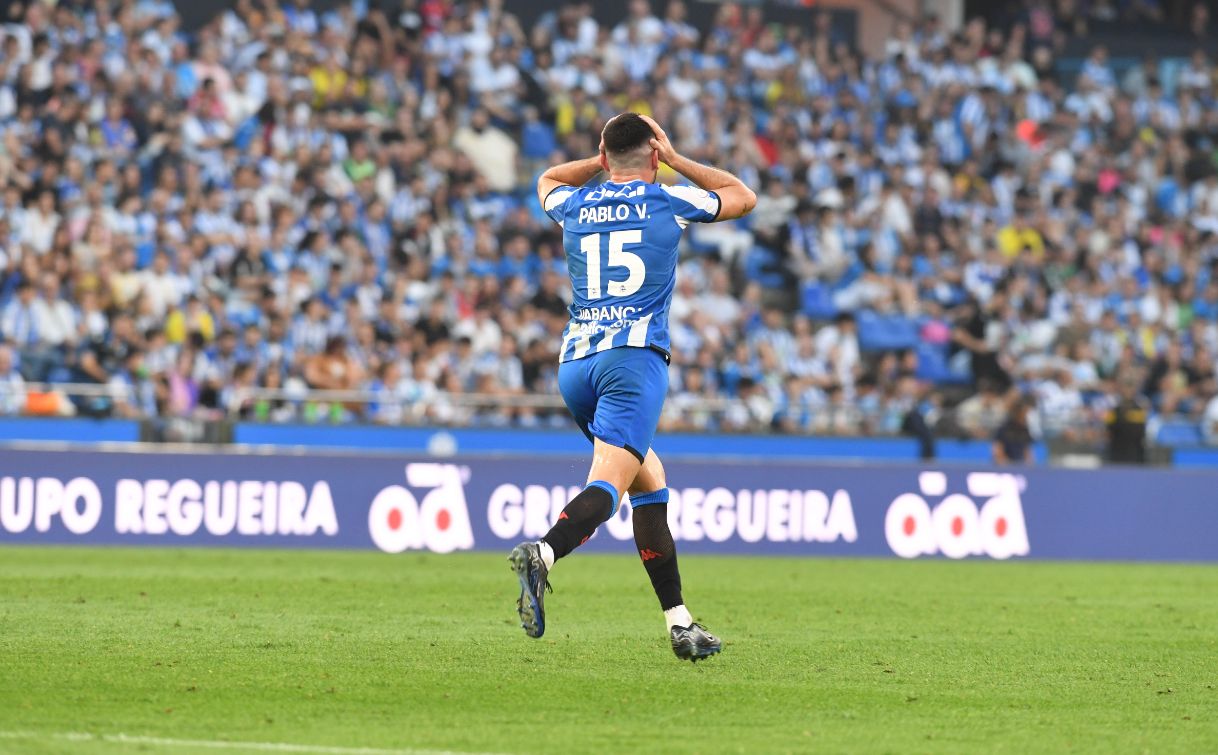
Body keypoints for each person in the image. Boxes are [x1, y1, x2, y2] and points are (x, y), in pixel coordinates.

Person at [508, 113, 756, 661]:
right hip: (632, 363)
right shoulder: (668, 199)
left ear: (602, 153)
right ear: (652, 153)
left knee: (649, 482)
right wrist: (674, 160)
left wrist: (599, 161)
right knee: (610, 487)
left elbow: (546, 178)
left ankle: (680, 623)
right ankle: (543, 554)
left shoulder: (574, 203)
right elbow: (741, 196)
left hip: (575, 366)